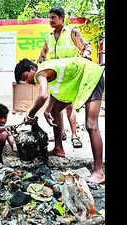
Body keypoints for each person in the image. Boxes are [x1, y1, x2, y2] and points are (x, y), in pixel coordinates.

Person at [14, 57, 105, 184]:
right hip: (81, 78)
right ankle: (58, 148)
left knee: (91, 125)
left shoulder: (40, 73)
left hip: (91, 76)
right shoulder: (46, 71)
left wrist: (31, 114)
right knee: (54, 110)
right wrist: (47, 110)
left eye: (25, 77)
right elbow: (55, 93)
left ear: (31, 68)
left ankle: (99, 172)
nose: (28, 81)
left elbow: (43, 95)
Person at [38, 6, 94, 148]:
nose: (50, 20)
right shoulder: (49, 37)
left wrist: (85, 57)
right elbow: (42, 56)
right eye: (49, 17)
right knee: (56, 110)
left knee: (69, 108)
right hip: (57, 79)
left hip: (71, 78)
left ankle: (74, 136)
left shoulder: (72, 32)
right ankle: (60, 138)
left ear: (62, 18)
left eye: (53, 17)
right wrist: (44, 68)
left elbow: (87, 48)